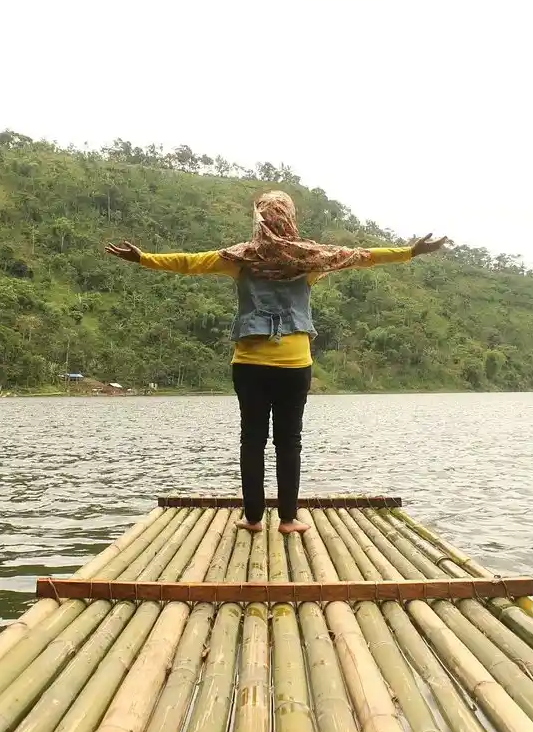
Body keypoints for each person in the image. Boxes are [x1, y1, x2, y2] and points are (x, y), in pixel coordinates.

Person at [106, 190, 450, 534]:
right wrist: (410, 252)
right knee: (289, 441)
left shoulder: (238, 258)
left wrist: (143, 258)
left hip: (249, 364)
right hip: (295, 366)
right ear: (290, 219)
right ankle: (288, 519)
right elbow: (361, 256)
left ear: (259, 220)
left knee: (252, 441)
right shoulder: (311, 259)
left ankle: (253, 519)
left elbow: (188, 263)